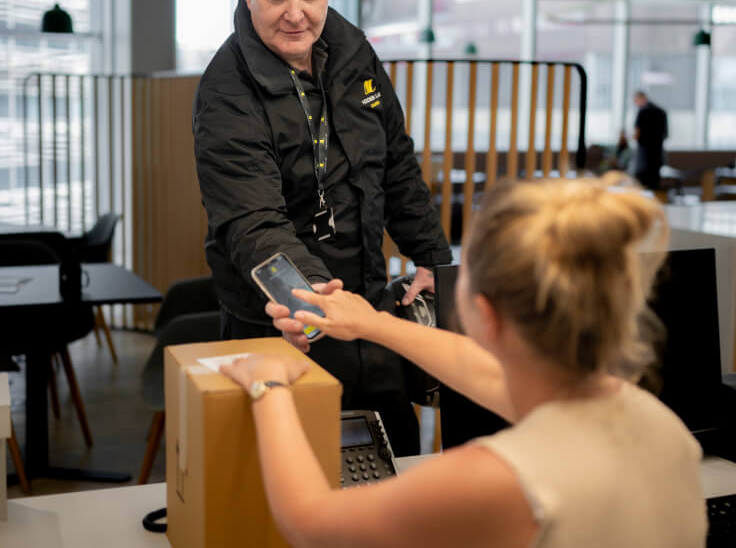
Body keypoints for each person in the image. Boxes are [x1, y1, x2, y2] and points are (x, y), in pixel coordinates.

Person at [221, 174, 707, 548]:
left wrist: (270, 385)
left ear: (486, 315)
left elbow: (310, 522)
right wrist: (371, 322)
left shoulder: (494, 479)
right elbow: (480, 370)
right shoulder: (656, 422)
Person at [192, 0, 452, 456]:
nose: (296, 14)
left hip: (370, 314)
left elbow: (397, 167)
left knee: (393, 475)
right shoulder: (226, 92)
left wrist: (435, 262)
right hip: (284, 327)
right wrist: (310, 302)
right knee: (286, 503)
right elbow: (252, 222)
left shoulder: (354, 53)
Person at [632, 91, 668, 190]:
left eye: (636, 101)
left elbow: (636, 134)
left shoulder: (642, 112)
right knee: (654, 185)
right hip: (657, 156)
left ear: (641, 98)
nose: (636, 104)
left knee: (641, 187)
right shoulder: (661, 112)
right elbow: (665, 135)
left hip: (644, 157)